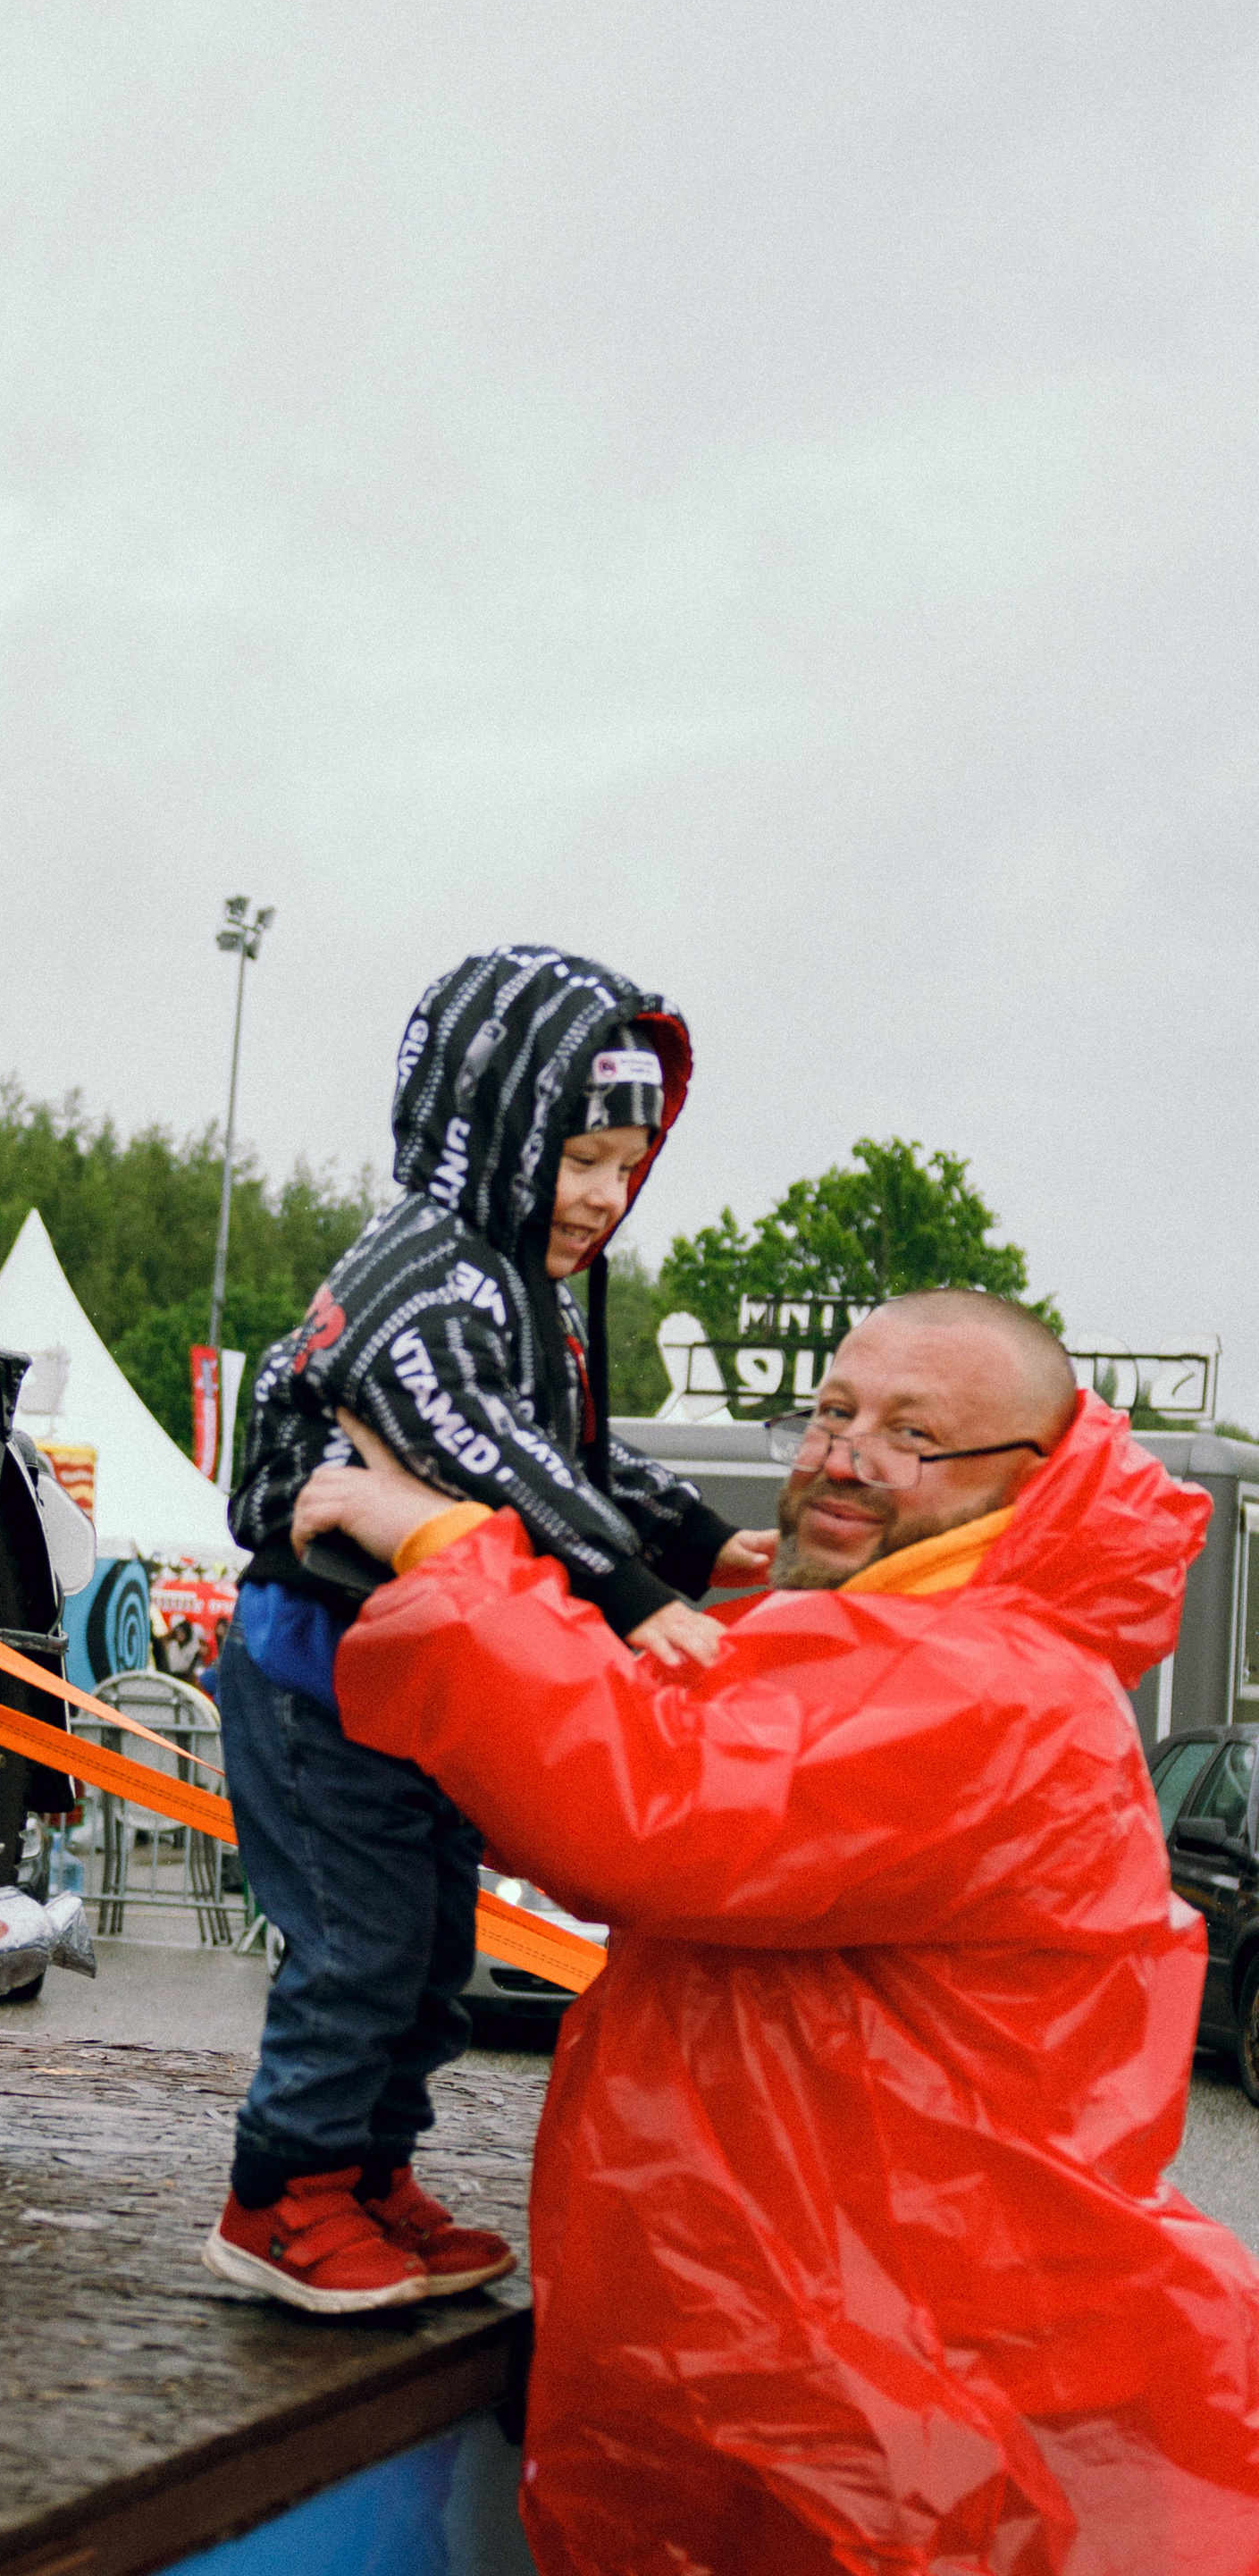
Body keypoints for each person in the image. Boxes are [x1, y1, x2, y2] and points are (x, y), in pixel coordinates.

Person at [295, 1289, 1259, 2576]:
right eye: (827, 1407)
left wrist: (450, 1549)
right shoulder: (928, 1647)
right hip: (877, 2455)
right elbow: (709, 1754)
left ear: (1024, 1478)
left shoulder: (974, 1685)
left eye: (907, 1435)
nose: (839, 1452)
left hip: (886, 2491)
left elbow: (645, 1813)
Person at [206, 945, 773, 2314]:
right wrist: (637, 1598)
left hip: (415, 1699)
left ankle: (367, 2173)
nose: (602, 1195)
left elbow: (577, 1451)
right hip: (317, 1689)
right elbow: (484, 1451)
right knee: (359, 1951)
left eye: (626, 1167)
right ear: (497, 1130)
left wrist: (701, 1538)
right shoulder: (425, 1274)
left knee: (429, 1953)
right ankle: (279, 2198)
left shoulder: (527, 1296)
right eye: (579, 1156)